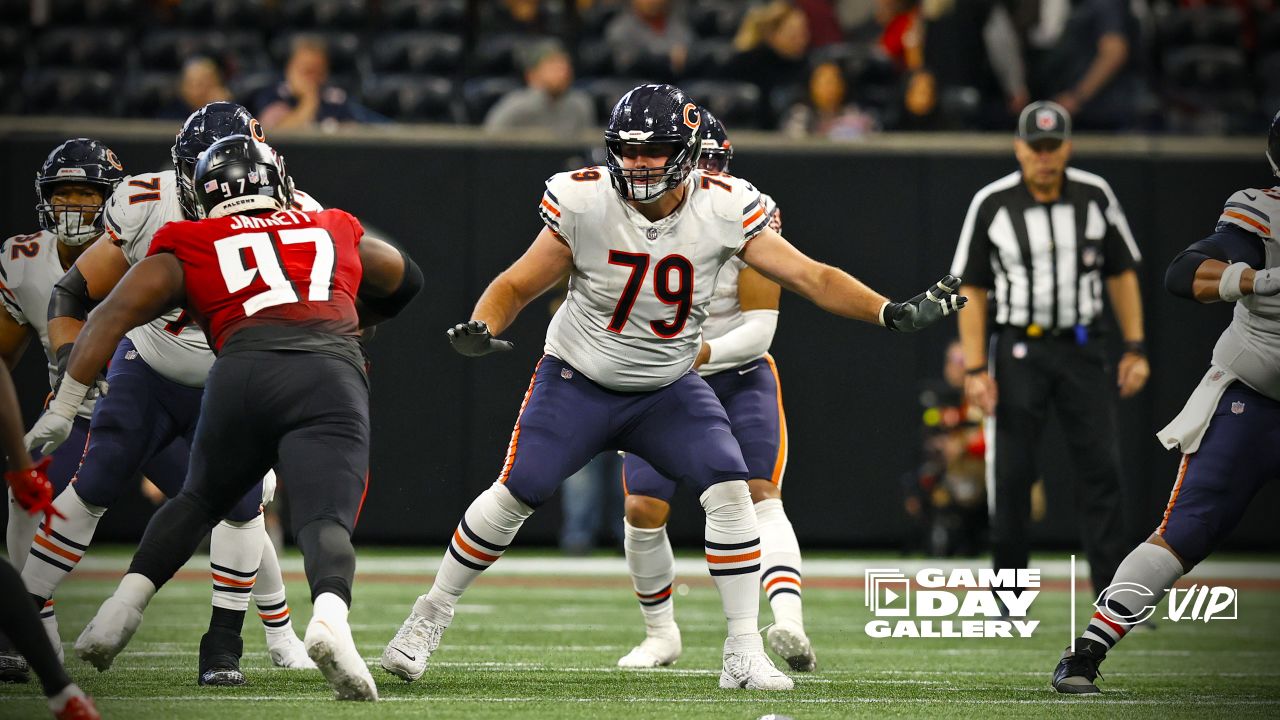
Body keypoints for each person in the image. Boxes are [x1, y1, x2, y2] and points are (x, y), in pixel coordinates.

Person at [379, 83, 965, 691]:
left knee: (731, 487)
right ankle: (429, 615)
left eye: (652, 150)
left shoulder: (728, 206)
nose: (636, 163)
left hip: (666, 385)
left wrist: (887, 312)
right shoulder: (582, 199)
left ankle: (742, 651)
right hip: (579, 378)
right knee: (519, 488)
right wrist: (485, 323)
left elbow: (812, 277)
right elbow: (518, 283)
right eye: (626, 151)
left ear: (684, 151)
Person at [38, 135, 421, 701]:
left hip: (241, 372)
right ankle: (330, 623)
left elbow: (109, 316)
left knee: (198, 500)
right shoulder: (329, 224)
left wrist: (66, 405)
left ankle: (122, 608)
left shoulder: (190, 238)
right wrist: (355, 314)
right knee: (325, 520)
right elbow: (403, 275)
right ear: (279, 183)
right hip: (327, 371)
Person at [27, 103, 315, 685]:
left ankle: (225, 647)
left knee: (241, 506)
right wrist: (67, 372)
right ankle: (23, 613)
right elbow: (74, 294)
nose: (229, 182)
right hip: (151, 365)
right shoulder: (145, 203)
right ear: (186, 173)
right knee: (100, 474)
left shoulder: (297, 212)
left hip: (234, 376)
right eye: (213, 168)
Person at [1051, 110, 1280, 695]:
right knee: (1187, 529)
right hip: (1253, 400)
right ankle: (1087, 652)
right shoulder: (1265, 210)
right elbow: (1183, 273)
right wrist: (1247, 280)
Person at [613, 110, 817, 674]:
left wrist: (698, 353)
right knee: (642, 505)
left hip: (735, 368)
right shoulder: (629, 210)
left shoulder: (748, 213)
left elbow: (759, 327)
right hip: (664, 376)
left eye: (711, 163)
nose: (703, 175)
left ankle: (788, 620)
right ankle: (661, 634)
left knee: (758, 495)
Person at [950, 100, 1148, 603]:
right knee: (1012, 474)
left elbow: (1121, 273)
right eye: (1035, 147)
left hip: (1084, 348)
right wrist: (976, 368)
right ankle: (1008, 596)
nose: (1044, 157)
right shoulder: (992, 202)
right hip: (1019, 350)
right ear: (1019, 148)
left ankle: (1115, 596)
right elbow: (971, 289)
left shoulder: (1095, 195)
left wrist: (1135, 347)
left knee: (1102, 470)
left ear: (1067, 147)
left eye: (1052, 146)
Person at [0, 139, 124, 679]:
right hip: (76, 413)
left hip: (156, 401)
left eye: (86, 193)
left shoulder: (144, 243)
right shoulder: (25, 261)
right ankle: (34, 627)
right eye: (63, 193)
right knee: (26, 487)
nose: (73, 204)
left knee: (231, 499)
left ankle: (267, 629)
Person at [0, 364, 99, 719]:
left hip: (151, 407)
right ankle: (38, 634)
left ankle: (268, 635)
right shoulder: (44, 305)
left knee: (238, 503)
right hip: (77, 413)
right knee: (21, 495)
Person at [256, 35, 383, 131]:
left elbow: (351, 137)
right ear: (290, 69)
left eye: (318, 72)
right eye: (307, 71)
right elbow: (278, 138)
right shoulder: (272, 96)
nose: (312, 78)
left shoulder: (335, 100)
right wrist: (309, 100)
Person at [484, 40, 594, 137]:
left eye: (564, 63)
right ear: (531, 74)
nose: (562, 69)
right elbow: (489, 142)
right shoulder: (516, 107)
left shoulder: (579, 105)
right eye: (553, 63)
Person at [160, 57, 233, 120]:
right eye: (193, 84)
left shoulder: (231, 109)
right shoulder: (171, 114)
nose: (200, 91)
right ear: (182, 87)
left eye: (206, 84)